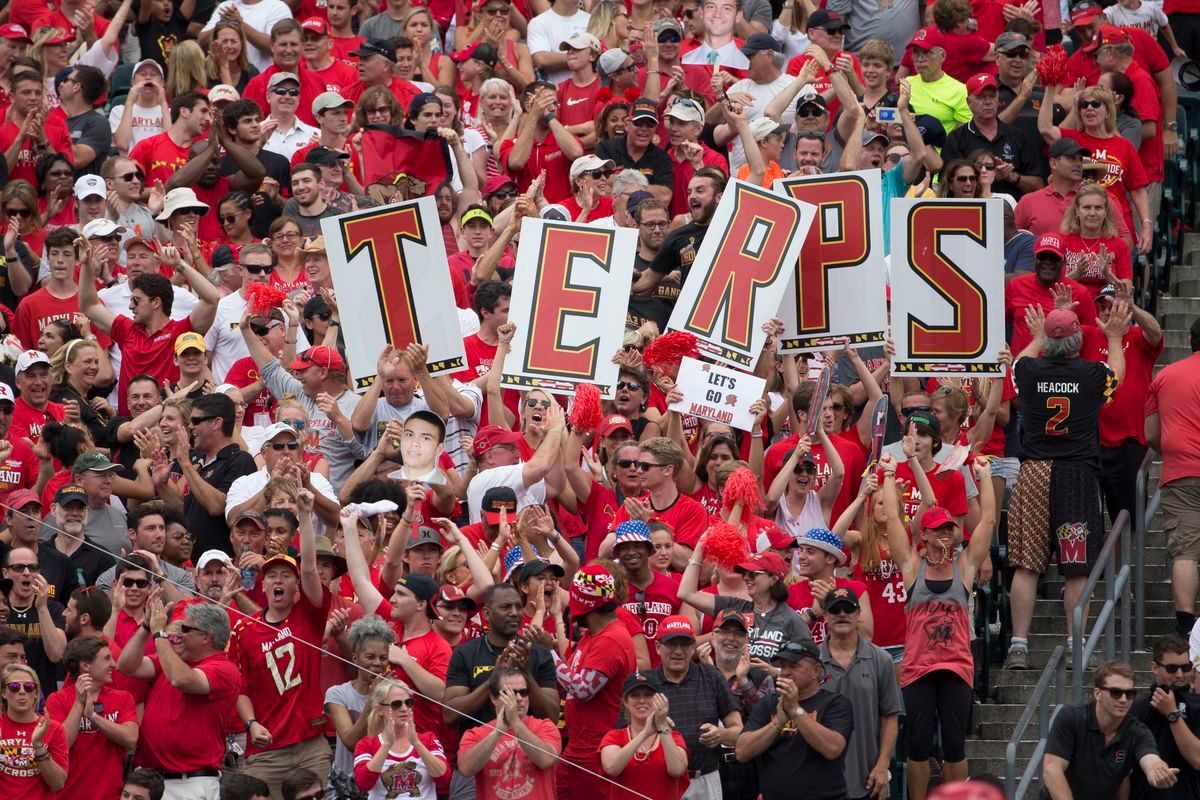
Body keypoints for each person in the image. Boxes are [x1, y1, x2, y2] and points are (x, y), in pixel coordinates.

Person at [1005, 305, 1129, 671]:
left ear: (1049, 341)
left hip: (1034, 473)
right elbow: (1117, 375)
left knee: (1026, 566)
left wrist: (1036, 337)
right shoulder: (1091, 374)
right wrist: (1114, 336)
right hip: (1077, 474)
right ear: (1078, 340)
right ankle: (1076, 644)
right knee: (1077, 568)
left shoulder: (1029, 371)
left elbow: (1015, 365)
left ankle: (1018, 646)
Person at [882, 455, 995, 800]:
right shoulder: (912, 567)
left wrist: (986, 477)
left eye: (950, 528)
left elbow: (988, 519)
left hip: (957, 667)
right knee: (918, 743)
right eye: (939, 529)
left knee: (955, 743)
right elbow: (892, 523)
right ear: (926, 535)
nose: (946, 533)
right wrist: (888, 476)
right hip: (918, 668)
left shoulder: (964, 566)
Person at [229, 502, 331, 795]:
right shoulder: (243, 631)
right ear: (262, 587)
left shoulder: (308, 616)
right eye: (271, 575)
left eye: (286, 576)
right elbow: (241, 690)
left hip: (310, 744)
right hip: (267, 749)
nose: (278, 580)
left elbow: (310, 568)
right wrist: (250, 724)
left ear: (296, 586)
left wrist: (306, 514)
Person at [522, 564, 635, 800]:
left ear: (582, 603)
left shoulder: (611, 640)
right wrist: (551, 647)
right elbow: (568, 675)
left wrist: (548, 653)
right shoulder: (592, 635)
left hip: (596, 750)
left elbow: (582, 689)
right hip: (577, 747)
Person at [116, 597, 240, 800]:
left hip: (191, 783)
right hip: (150, 779)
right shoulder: (172, 659)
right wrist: (147, 626)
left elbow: (181, 679)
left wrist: (159, 633)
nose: (179, 634)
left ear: (205, 637)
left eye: (185, 629)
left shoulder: (224, 668)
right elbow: (126, 666)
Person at [734, 639, 854, 800]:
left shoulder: (835, 703)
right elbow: (742, 752)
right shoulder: (768, 704)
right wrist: (777, 723)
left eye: (794, 666)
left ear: (816, 671)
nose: (785, 672)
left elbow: (832, 748)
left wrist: (795, 711)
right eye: (783, 666)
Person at [1043, 660, 1180, 797]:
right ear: (1097, 693)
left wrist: (1157, 770)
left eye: (1130, 693)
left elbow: (1150, 758)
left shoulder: (1137, 731)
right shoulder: (1071, 718)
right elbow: (1051, 770)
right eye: (1116, 692)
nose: (1123, 699)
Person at [640, 615, 742, 798]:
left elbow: (738, 731)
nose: (678, 651)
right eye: (672, 644)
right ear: (657, 647)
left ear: (693, 647)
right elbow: (626, 734)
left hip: (705, 779)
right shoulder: (645, 684)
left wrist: (721, 735)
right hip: (659, 780)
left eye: (685, 644)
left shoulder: (712, 676)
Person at [1145, 319, 1200, 638]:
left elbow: (1151, 434)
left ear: (1191, 340)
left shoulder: (1165, 376)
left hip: (1181, 472)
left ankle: (1186, 625)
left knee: (1185, 552)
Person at [818, 587, 901, 800]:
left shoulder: (881, 660)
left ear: (858, 615)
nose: (842, 614)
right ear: (825, 616)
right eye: (835, 610)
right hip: (820, 781)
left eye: (849, 609)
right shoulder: (812, 661)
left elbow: (890, 716)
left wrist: (883, 765)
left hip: (868, 779)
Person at [44, 634, 139, 800]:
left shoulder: (123, 698)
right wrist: (79, 705)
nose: (114, 664)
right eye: (107, 658)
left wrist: (93, 716)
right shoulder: (57, 700)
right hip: (67, 796)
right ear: (85, 665)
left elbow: (131, 738)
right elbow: (61, 745)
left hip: (109, 796)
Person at [458, 667, 562, 799]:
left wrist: (515, 723)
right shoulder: (476, 734)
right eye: (511, 692)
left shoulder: (545, 727)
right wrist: (497, 733)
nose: (518, 698)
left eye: (523, 692)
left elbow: (545, 760)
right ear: (494, 698)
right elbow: (466, 769)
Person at [324, 615, 396, 800]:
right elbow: (350, 742)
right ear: (355, 658)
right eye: (370, 657)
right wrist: (373, 701)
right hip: (344, 788)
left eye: (383, 658)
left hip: (381, 787)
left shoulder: (396, 696)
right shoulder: (337, 693)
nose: (378, 663)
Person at [1128, 634, 1200, 800]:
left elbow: (1197, 759)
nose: (1180, 675)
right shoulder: (1136, 707)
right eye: (1172, 668)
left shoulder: (1197, 706)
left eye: (1186, 667)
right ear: (1154, 667)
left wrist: (1172, 714)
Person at [600, 672, 690, 800]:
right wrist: (645, 733)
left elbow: (677, 770)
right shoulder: (614, 736)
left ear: (658, 700)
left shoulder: (673, 737)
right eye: (635, 695)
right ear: (626, 701)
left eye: (648, 695)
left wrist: (662, 725)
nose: (642, 700)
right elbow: (611, 768)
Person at [353, 681, 448, 800]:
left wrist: (417, 744)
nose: (404, 709)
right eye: (396, 704)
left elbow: (444, 779)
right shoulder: (366, 745)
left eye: (408, 703)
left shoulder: (428, 740)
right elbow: (363, 784)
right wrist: (386, 745)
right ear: (379, 710)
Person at [2, 546, 67, 692]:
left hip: (42, 695)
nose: (26, 573)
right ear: (5, 573)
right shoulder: (2, 610)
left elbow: (56, 654)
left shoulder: (53, 609)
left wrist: (42, 607)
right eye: (18, 568)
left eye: (33, 568)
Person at [0, 663, 68, 797]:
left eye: (29, 687)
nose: (22, 691)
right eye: (14, 687)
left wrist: (38, 746)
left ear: (36, 693)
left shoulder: (53, 728)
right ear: (3, 693)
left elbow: (58, 784)